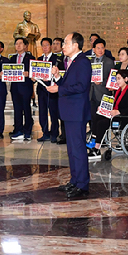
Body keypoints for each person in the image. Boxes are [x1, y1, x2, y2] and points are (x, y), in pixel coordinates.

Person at [49, 32, 92, 198]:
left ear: (75, 45)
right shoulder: (72, 62)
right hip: (70, 111)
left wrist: (59, 88)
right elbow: (69, 85)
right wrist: (58, 78)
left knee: (78, 149)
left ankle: (82, 184)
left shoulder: (82, 62)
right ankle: (75, 180)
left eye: (66, 43)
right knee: (72, 149)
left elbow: (81, 86)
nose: (63, 46)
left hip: (76, 112)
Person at [89, 70, 128, 158]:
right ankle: (93, 140)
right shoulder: (117, 91)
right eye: (116, 79)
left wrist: (119, 111)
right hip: (115, 115)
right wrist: (103, 108)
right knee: (97, 116)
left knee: (102, 123)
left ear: (126, 79)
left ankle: (97, 148)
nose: (117, 81)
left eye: (119, 79)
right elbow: (113, 105)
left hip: (124, 117)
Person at [88, 38, 115, 157]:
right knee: (93, 119)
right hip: (91, 93)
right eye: (98, 48)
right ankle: (93, 141)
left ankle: (100, 141)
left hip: (103, 94)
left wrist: (102, 82)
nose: (100, 50)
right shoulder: (89, 61)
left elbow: (112, 80)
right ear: (93, 49)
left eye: (102, 48)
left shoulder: (109, 62)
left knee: (101, 120)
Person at [9, 37, 35, 141]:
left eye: (20, 43)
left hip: (26, 87)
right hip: (15, 87)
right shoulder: (12, 58)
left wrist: (29, 73)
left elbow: (35, 72)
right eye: (16, 43)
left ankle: (27, 130)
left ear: (25, 46)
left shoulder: (30, 58)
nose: (18, 45)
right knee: (17, 109)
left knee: (26, 109)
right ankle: (18, 130)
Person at [36, 38, 60, 143]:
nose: (45, 47)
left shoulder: (57, 59)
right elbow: (35, 72)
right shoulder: (38, 59)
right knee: (42, 112)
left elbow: (61, 74)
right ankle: (45, 132)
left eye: (47, 45)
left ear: (50, 46)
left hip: (53, 90)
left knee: (54, 113)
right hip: (41, 89)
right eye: (43, 45)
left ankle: (54, 133)